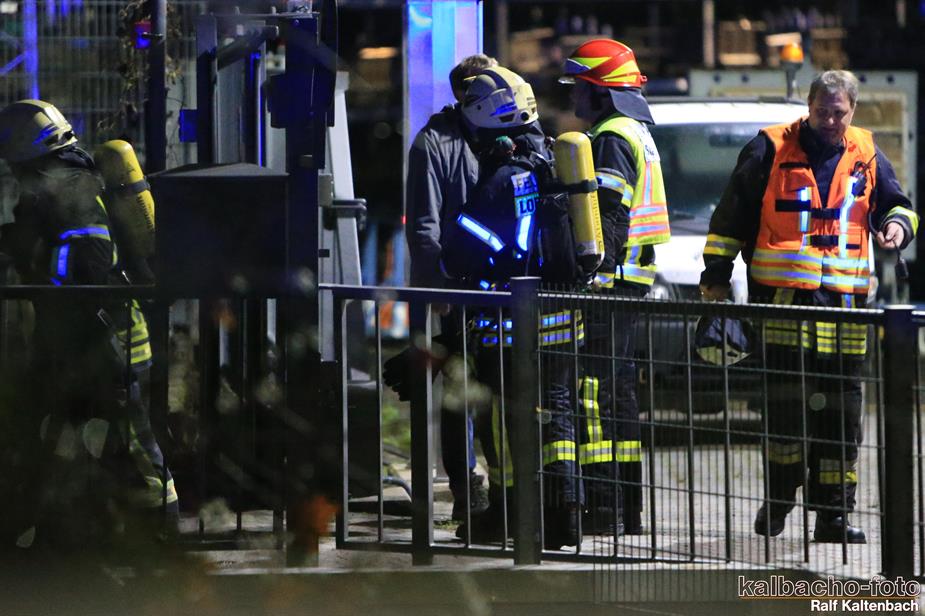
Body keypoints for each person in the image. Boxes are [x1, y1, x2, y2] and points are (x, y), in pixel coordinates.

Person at [699, 70, 918, 543]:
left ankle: (833, 516)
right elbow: (731, 216)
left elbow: (898, 205)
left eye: (839, 113)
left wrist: (896, 228)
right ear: (809, 106)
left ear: (852, 110)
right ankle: (780, 499)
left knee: (842, 420)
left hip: (845, 311)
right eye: (823, 111)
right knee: (784, 413)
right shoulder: (769, 148)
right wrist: (716, 274)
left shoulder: (866, 152)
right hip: (785, 306)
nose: (831, 121)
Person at [0, 99, 178, 550]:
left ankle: (165, 534)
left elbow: (87, 265)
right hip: (77, 348)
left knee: (137, 446)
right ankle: (51, 532)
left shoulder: (75, 196)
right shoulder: (57, 193)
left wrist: (45, 277)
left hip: (111, 346)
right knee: (59, 435)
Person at [441, 65, 588, 549]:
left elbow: (467, 249)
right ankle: (565, 512)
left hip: (509, 322)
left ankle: (509, 515)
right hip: (560, 318)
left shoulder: (502, 178)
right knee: (558, 416)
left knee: (503, 422)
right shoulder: (552, 160)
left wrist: (457, 235)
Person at [559, 39, 671, 535]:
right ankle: (628, 509)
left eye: (578, 86)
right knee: (620, 394)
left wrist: (588, 273)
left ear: (600, 92)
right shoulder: (636, 131)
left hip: (608, 285)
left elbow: (608, 216)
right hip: (631, 283)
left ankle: (604, 508)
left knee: (592, 394)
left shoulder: (609, 137)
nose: (573, 96)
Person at [404, 54, 498, 522]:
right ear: (465, 94)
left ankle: (499, 482)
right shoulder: (434, 143)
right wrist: (438, 288)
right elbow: (424, 227)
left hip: (496, 288)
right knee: (461, 389)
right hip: (458, 289)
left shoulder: (499, 132)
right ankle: (466, 486)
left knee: (495, 385)